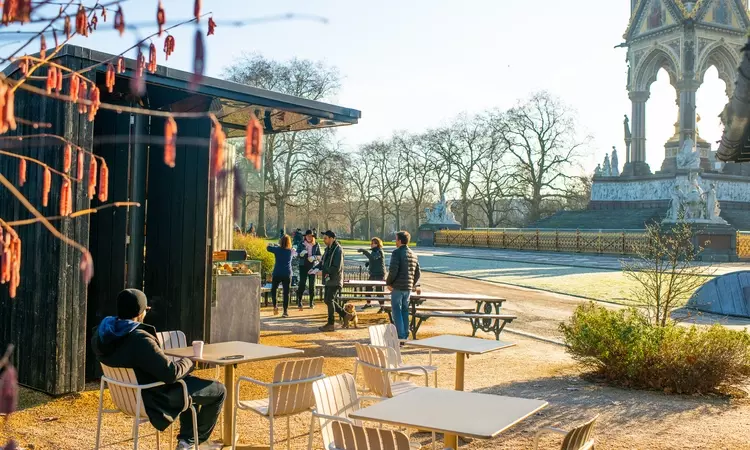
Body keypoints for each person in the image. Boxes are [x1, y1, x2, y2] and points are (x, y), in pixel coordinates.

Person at [91, 289, 225, 450]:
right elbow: (171, 374)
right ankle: (191, 442)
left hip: (126, 398)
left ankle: (186, 440)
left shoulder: (101, 334)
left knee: (190, 386)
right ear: (141, 313)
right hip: (154, 399)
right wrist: (189, 362)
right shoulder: (139, 339)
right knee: (218, 390)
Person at [386, 231, 421, 341]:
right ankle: (405, 334)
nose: (395, 241)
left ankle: (400, 336)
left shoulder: (396, 253)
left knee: (396, 310)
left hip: (398, 286)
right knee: (405, 311)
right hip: (408, 288)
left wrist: (389, 283)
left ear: (399, 241)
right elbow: (418, 273)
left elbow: (393, 270)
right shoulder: (414, 254)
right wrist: (411, 283)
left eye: (396, 239)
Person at [319, 230, 344, 332]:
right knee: (327, 300)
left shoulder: (338, 250)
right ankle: (345, 315)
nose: (324, 240)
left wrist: (323, 271)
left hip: (335, 279)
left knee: (329, 300)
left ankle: (331, 324)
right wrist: (315, 268)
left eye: (325, 238)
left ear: (332, 238)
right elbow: (323, 262)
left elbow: (336, 267)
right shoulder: (328, 249)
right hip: (329, 279)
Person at [266, 235, 294, 317]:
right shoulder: (290, 251)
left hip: (277, 272)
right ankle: (285, 311)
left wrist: (273, 244)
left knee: (274, 290)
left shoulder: (277, 250)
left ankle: (275, 307)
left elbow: (268, 248)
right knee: (286, 293)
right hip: (287, 273)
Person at [358, 237, 387, 312]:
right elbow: (372, 259)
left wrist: (364, 251)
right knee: (368, 287)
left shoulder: (379, 251)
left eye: (372, 243)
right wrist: (368, 263)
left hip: (379, 274)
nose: (371, 244)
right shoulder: (374, 251)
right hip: (373, 273)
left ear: (377, 244)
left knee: (379, 290)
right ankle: (368, 304)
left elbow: (373, 258)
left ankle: (382, 307)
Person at [296, 230, 322, 310]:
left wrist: (314, 257)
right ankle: (299, 300)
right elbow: (296, 254)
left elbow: (320, 256)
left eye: (311, 236)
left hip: (312, 266)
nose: (309, 237)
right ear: (305, 236)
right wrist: (300, 254)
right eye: (308, 236)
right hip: (303, 265)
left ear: (313, 236)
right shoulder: (301, 244)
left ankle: (311, 301)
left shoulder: (316, 244)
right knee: (302, 283)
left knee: (312, 284)